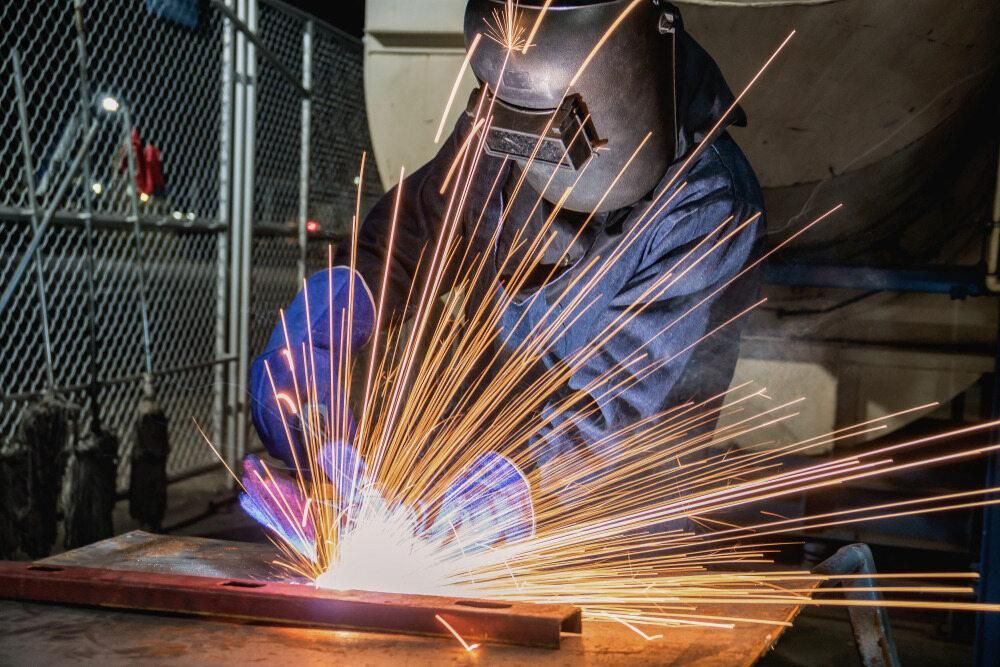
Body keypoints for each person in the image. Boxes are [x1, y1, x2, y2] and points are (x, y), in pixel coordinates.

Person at [249, 0, 764, 514]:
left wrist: (515, 489)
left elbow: (626, 413)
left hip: (602, 531)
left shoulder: (710, 203)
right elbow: (416, 231)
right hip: (459, 481)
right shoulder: (503, 120)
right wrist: (322, 328)